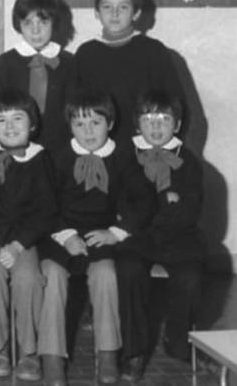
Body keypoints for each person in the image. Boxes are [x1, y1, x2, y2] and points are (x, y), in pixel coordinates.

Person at [37, 91, 153, 386]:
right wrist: (66, 236)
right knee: (52, 275)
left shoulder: (123, 157)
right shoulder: (55, 157)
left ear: (110, 124)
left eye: (95, 123)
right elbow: (43, 204)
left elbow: (144, 200)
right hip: (60, 234)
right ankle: (52, 357)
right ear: (70, 127)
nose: (88, 131)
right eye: (79, 124)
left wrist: (116, 232)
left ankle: (108, 353)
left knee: (106, 274)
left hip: (100, 235)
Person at [118, 90, 204, 381]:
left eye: (164, 119)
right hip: (138, 237)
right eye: (148, 119)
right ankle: (134, 351)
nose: (155, 126)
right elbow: (123, 204)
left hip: (179, 237)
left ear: (177, 125)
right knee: (129, 269)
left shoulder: (189, 162)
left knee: (190, 275)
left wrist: (154, 211)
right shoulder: (127, 159)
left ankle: (178, 339)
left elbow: (188, 211)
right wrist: (165, 201)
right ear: (137, 125)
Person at [0, 88, 55, 382]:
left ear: (32, 125)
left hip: (24, 240)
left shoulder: (40, 158)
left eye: (17, 119)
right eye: (1, 120)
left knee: (28, 279)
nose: (9, 126)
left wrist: (18, 245)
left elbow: (46, 210)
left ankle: (29, 350)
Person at [74, 0, 183, 147]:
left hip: (147, 146)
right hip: (100, 147)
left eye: (123, 7)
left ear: (136, 13)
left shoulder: (154, 51)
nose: (114, 13)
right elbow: (73, 109)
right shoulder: (85, 53)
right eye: (107, 7)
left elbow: (176, 106)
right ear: (96, 12)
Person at [0, 0, 75, 151]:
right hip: (16, 146)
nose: (36, 30)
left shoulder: (70, 63)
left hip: (60, 147)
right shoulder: (2, 64)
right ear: (18, 25)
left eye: (43, 22)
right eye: (28, 23)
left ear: (54, 23)